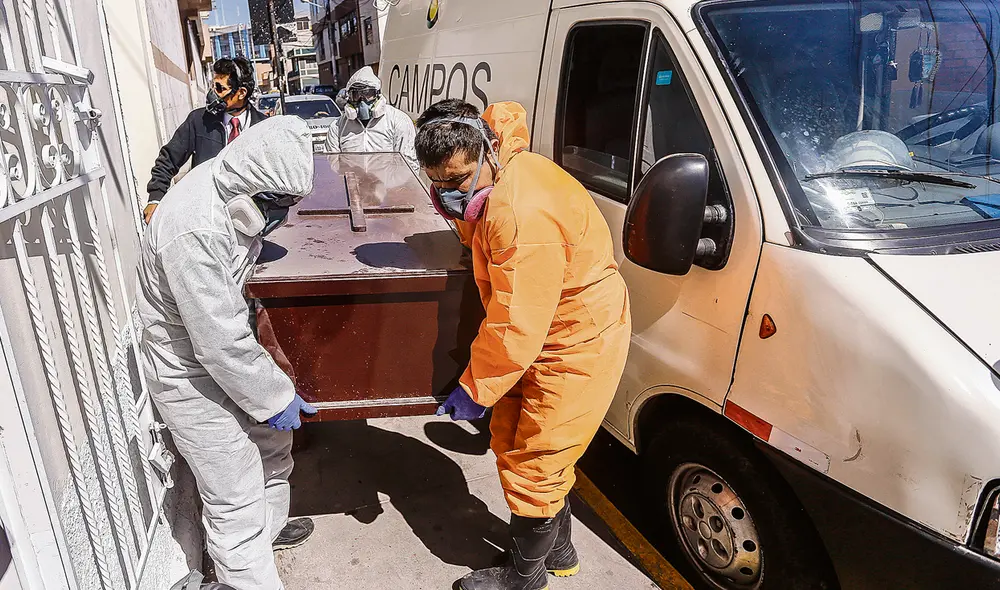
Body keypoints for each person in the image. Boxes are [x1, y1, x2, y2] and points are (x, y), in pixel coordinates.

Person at [416, 100, 632, 590]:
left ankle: (524, 578)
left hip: (576, 339)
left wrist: (474, 388)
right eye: (439, 184)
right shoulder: (500, 177)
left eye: (458, 180)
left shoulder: (521, 213)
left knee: (538, 458)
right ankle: (558, 549)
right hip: (548, 329)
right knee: (516, 440)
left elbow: (517, 324)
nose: (449, 195)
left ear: (489, 150)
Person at [136, 116, 319, 590]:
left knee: (274, 449)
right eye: (277, 206)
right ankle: (246, 576)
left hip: (227, 353)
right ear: (252, 188)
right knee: (234, 488)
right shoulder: (192, 229)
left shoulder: (235, 192)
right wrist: (276, 395)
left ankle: (267, 535)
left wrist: (270, 394)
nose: (281, 218)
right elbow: (217, 341)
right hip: (186, 372)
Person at [144, 56, 267, 224]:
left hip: (248, 221)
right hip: (205, 217)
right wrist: (155, 198)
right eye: (213, 85)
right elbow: (168, 159)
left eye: (219, 88)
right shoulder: (198, 121)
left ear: (241, 93)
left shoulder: (263, 128)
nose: (212, 93)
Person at [323, 66, 419, 174]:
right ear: (349, 97)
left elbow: (408, 164)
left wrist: (393, 188)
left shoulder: (398, 121)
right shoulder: (338, 127)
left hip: (388, 188)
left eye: (368, 94)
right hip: (353, 188)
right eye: (356, 95)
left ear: (377, 94)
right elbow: (332, 165)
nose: (362, 101)